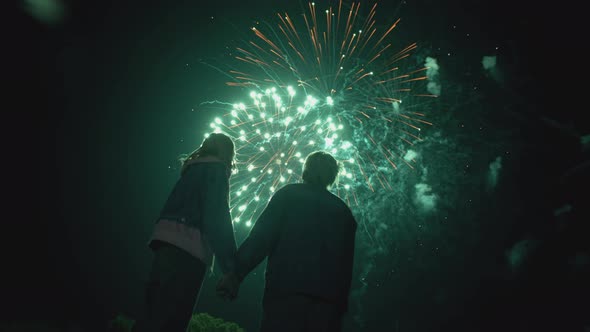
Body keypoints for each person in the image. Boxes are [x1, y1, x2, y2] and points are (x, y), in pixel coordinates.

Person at [217, 151, 357, 332]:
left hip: (286, 291)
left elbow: (261, 238)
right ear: (333, 176)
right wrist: (341, 305)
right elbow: (346, 266)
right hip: (328, 303)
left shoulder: (288, 195)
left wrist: (235, 274)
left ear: (306, 170)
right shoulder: (344, 213)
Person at [134, 133, 238, 332]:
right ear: (227, 153)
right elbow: (216, 217)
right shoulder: (216, 171)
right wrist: (231, 268)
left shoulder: (191, 170)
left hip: (164, 245)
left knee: (151, 314)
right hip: (190, 249)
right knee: (172, 320)